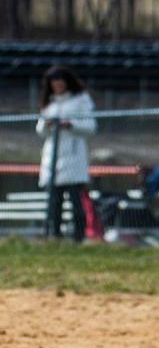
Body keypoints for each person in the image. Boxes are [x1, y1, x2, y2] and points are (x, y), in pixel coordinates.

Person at [36, 66, 97, 243]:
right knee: (54, 203)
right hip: (52, 160)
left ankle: (79, 237)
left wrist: (71, 125)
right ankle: (54, 237)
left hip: (73, 159)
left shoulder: (81, 100)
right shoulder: (50, 103)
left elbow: (91, 127)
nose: (57, 87)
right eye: (54, 84)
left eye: (60, 83)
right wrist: (47, 125)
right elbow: (40, 130)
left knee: (77, 204)